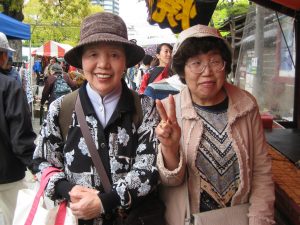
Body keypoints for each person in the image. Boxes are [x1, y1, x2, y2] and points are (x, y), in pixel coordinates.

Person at [32, 12, 164, 225]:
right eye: (93, 54)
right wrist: (68, 189)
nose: (103, 64)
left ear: (125, 62)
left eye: (114, 55)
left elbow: (150, 167)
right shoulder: (61, 108)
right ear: (82, 61)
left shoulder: (144, 107)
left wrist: (105, 202)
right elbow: (41, 161)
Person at [155, 25, 275, 225]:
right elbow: (170, 182)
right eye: (196, 63)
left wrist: (260, 220)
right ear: (183, 69)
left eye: (214, 61)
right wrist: (169, 148)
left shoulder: (246, 105)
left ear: (225, 65)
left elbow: (261, 170)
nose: (207, 71)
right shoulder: (170, 110)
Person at [0, 32, 36, 225]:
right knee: (15, 218)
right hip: (7, 173)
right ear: (3, 55)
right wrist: (35, 165)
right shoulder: (9, 86)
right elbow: (20, 135)